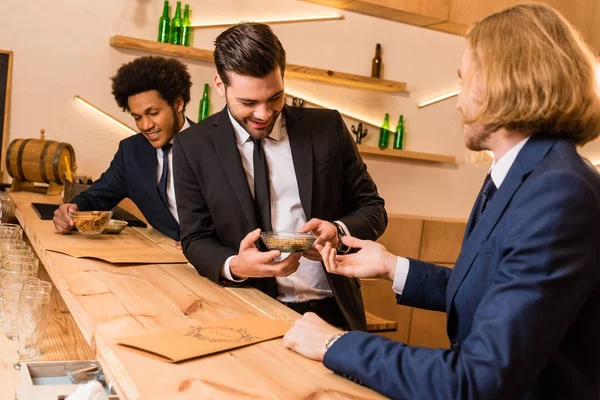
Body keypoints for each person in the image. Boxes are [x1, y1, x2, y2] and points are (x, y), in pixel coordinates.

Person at [283, 3, 600, 399]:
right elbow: (492, 291)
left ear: (504, 82)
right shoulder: (524, 176)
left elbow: (477, 379)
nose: (458, 102)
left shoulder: (561, 194)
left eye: (464, 81)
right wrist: (391, 266)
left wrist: (335, 344)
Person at [173, 23, 387, 330]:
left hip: (333, 311)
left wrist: (338, 230)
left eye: (275, 97)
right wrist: (234, 265)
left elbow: (373, 207)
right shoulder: (192, 146)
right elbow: (194, 238)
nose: (263, 114)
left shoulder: (327, 128)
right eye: (248, 103)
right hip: (245, 309)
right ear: (220, 85)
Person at [53, 56, 194, 242]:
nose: (145, 125)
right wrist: (71, 210)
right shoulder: (131, 152)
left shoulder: (214, 145)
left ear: (177, 104)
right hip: (166, 258)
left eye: (153, 113)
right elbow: (97, 197)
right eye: (137, 117)